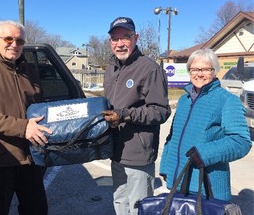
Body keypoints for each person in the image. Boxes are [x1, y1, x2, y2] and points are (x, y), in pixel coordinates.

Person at [0, 20, 52, 215]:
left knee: (37, 209)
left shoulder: (29, 71)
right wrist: (23, 128)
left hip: (30, 158)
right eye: (8, 39)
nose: (14, 44)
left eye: (20, 41)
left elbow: (39, 107)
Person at [159, 48, 252, 201]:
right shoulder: (184, 100)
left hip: (206, 187)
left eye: (205, 69)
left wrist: (205, 153)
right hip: (177, 181)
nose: (199, 74)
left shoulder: (227, 100)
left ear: (214, 71)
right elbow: (173, 136)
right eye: (194, 69)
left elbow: (240, 141)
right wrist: (165, 167)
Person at [103, 17, 171, 215]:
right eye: (115, 39)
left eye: (126, 37)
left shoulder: (149, 68)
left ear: (136, 38)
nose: (120, 43)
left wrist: (124, 115)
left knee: (139, 208)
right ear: (110, 42)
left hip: (138, 154)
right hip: (116, 150)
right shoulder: (111, 67)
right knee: (120, 202)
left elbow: (160, 110)